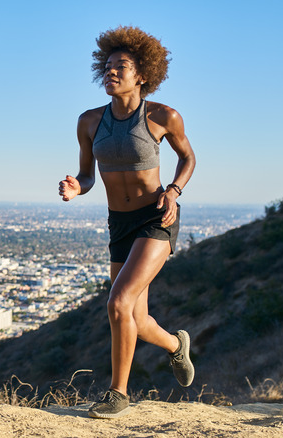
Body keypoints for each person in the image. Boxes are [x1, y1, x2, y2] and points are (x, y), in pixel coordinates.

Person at [58, 26, 196, 419]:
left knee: (117, 302)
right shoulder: (89, 121)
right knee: (136, 316)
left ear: (143, 75)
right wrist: (76, 187)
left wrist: (173, 191)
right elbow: (88, 175)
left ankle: (117, 393)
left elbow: (188, 159)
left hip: (156, 217)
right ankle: (175, 346)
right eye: (107, 66)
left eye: (121, 66)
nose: (111, 72)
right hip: (119, 223)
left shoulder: (162, 116)